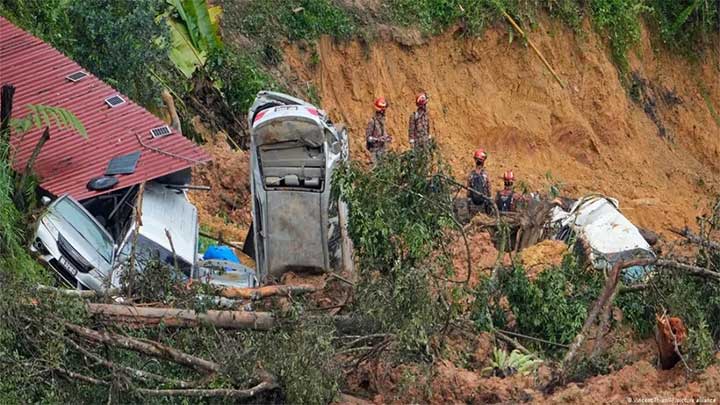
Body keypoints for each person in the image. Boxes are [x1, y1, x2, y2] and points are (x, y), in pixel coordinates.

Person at [366, 97, 392, 164]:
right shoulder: (372, 122)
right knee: (375, 170)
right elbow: (368, 138)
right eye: (384, 109)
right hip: (374, 151)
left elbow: (383, 133)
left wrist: (387, 137)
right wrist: (378, 139)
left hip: (383, 150)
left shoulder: (382, 121)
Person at [467, 149, 491, 215]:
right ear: (483, 161)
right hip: (483, 205)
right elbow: (489, 191)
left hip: (473, 205)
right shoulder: (485, 175)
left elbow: (468, 193)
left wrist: (469, 206)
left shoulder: (471, 175)